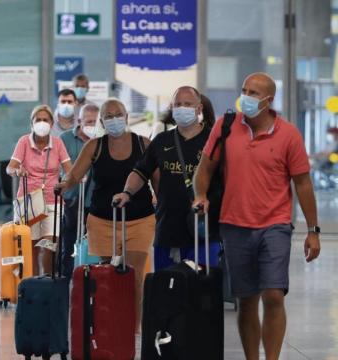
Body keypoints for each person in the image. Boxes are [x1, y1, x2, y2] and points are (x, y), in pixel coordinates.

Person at [193, 72, 320, 360]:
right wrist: (200, 195)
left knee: (274, 295)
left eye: (253, 93)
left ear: (268, 100)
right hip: (234, 224)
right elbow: (204, 169)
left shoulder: (288, 134)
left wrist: (313, 230)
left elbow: (302, 183)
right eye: (244, 90)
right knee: (246, 300)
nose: (245, 97)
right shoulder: (225, 127)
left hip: (275, 224)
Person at [56, 98, 155, 328]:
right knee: (107, 274)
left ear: (127, 117)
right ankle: (108, 324)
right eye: (108, 116)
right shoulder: (95, 146)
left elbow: (157, 180)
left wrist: (164, 202)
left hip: (139, 218)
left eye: (117, 114)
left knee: (135, 275)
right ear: (102, 121)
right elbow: (74, 176)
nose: (114, 120)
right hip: (102, 219)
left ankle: (134, 327)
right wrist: (63, 185)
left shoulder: (143, 145)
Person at [113, 86, 219, 271]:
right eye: (178, 104)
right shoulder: (162, 140)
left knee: (202, 291)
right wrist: (127, 192)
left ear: (199, 108)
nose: (182, 108)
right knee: (166, 291)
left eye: (187, 104)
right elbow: (140, 171)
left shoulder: (213, 140)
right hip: (167, 230)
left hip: (203, 231)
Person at [7, 105, 72, 275]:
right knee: (31, 248)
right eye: (38, 120)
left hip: (53, 202)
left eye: (46, 120)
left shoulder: (57, 144)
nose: (42, 123)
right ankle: (33, 285)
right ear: (32, 124)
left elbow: (69, 170)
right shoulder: (23, 142)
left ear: (52, 124)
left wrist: (66, 181)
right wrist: (17, 171)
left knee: (49, 245)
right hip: (29, 202)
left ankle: (47, 280)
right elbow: (10, 167)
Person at [58, 103, 103, 277]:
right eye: (88, 121)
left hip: (96, 200)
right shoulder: (64, 139)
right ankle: (67, 280)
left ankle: (93, 279)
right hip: (72, 200)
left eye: (95, 122)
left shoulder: (103, 139)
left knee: (96, 244)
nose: (91, 125)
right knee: (68, 244)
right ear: (79, 121)